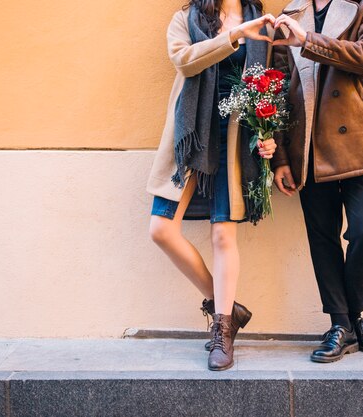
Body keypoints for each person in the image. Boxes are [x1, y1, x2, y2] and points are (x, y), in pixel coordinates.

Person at [147, 0, 276, 371]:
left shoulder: (261, 22)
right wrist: (233, 36)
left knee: (223, 236)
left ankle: (222, 331)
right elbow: (184, 60)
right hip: (192, 135)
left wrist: (271, 139)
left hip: (236, 138)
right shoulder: (184, 19)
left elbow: (272, 87)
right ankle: (226, 308)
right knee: (160, 229)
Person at [271, 0, 363, 363]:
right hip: (307, 143)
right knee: (322, 237)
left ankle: (354, 317)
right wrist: (280, 157)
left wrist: (308, 40)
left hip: (362, 141)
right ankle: (340, 324)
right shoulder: (290, 14)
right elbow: (277, 90)